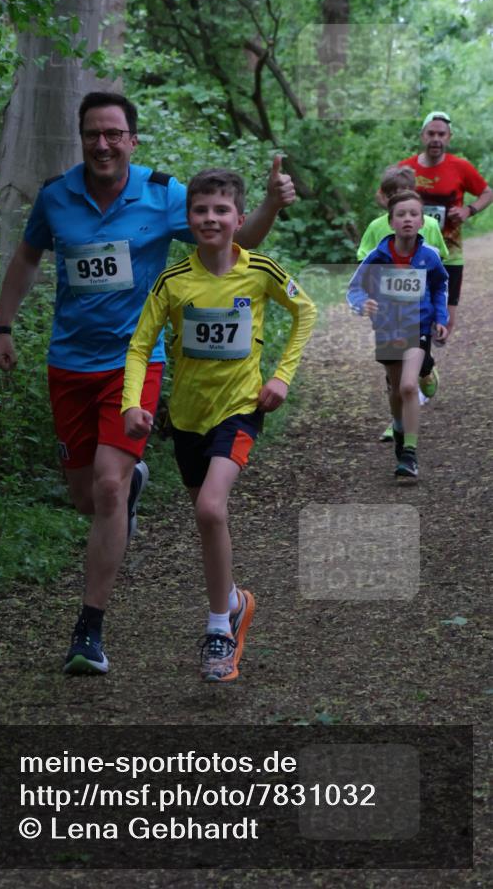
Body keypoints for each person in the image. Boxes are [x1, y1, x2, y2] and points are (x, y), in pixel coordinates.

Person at [0, 92, 296, 676]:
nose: (102, 144)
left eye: (113, 133)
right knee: (87, 495)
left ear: (132, 139)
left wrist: (271, 206)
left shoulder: (164, 194)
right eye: (91, 134)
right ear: (81, 140)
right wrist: (3, 325)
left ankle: (89, 631)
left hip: (136, 363)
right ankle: (129, 487)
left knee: (106, 486)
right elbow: (27, 258)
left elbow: (238, 240)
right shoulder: (57, 197)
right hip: (69, 364)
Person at [122, 169, 316, 681]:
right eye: (201, 210)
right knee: (208, 523)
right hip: (187, 417)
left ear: (240, 218)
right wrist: (130, 403)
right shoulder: (173, 280)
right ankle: (233, 600)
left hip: (241, 409)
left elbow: (306, 311)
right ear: (188, 219)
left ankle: (217, 631)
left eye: (221, 210)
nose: (211, 218)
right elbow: (140, 346)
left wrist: (282, 377)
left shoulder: (261, 271)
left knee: (211, 508)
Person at [347, 190, 449, 481]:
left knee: (407, 386)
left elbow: (441, 286)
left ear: (422, 221)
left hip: (418, 326)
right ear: (390, 222)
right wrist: (362, 304)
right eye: (401, 215)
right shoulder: (376, 257)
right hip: (387, 328)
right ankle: (399, 427)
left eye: (413, 214)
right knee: (394, 388)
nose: (407, 219)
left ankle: (410, 454)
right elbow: (355, 289)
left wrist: (441, 318)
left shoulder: (428, 257)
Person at [396, 111, 492, 334]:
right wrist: (399, 213)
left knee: (445, 322)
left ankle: (421, 356)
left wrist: (468, 210)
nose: (436, 139)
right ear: (423, 136)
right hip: (411, 253)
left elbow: (487, 193)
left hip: (449, 252)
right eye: (431, 133)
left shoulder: (461, 167)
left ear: (449, 137)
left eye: (441, 134)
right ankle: (418, 361)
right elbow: (382, 195)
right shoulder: (406, 168)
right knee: (412, 316)